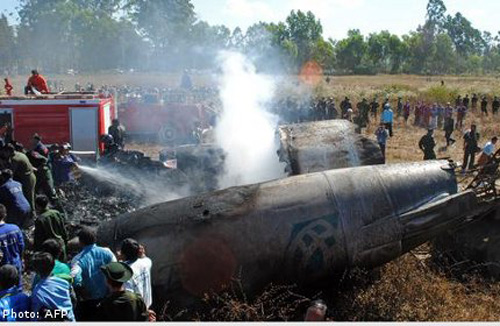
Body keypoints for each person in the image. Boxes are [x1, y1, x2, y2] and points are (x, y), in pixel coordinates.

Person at [71, 226, 116, 321]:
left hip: (89, 302)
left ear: (80, 242)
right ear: (95, 239)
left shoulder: (78, 259)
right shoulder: (107, 252)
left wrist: (82, 290)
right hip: (107, 298)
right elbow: (116, 270)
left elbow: (74, 277)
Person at [31, 252, 75, 321]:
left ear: (36, 270)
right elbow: (74, 299)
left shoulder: (37, 292)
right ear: (53, 265)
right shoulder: (64, 282)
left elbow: (35, 315)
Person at [2, 144, 36, 212]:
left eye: (4, 152)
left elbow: (10, 173)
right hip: (30, 176)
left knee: (29, 197)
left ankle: (32, 214)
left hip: (27, 178)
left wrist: (3, 165)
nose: (3, 154)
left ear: (8, 152)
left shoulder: (15, 159)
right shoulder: (19, 154)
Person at [120, 239, 153, 309]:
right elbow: (144, 257)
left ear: (122, 253)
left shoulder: (125, 272)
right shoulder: (146, 262)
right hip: (147, 307)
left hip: (136, 312)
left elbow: (128, 299)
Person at [34, 195, 68, 260]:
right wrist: (65, 242)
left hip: (50, 249)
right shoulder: (56, 213)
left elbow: (38, 239)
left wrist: (36, 252)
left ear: (37, 206)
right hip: (61, 245)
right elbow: (63, 230)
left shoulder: (40, 219)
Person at [0, 204, 25, 280]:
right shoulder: (15, 228)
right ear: (5, 215)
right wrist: (21, 260)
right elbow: (21, 247)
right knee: (18, 289)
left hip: (3, 270)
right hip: (16, 264)